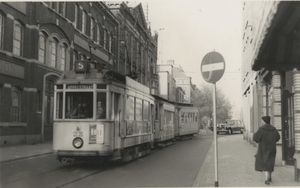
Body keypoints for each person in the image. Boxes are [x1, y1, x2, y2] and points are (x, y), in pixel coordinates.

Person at [253, 116, 280, 185]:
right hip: (272, 148)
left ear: (264, 121)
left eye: (262, 121)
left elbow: (255, 138)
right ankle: (269, 177)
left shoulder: (261, 129)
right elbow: (278, 137)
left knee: (265, 163)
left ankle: (266, 179)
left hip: (263, 149)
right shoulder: (274, 129)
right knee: (270, 162)